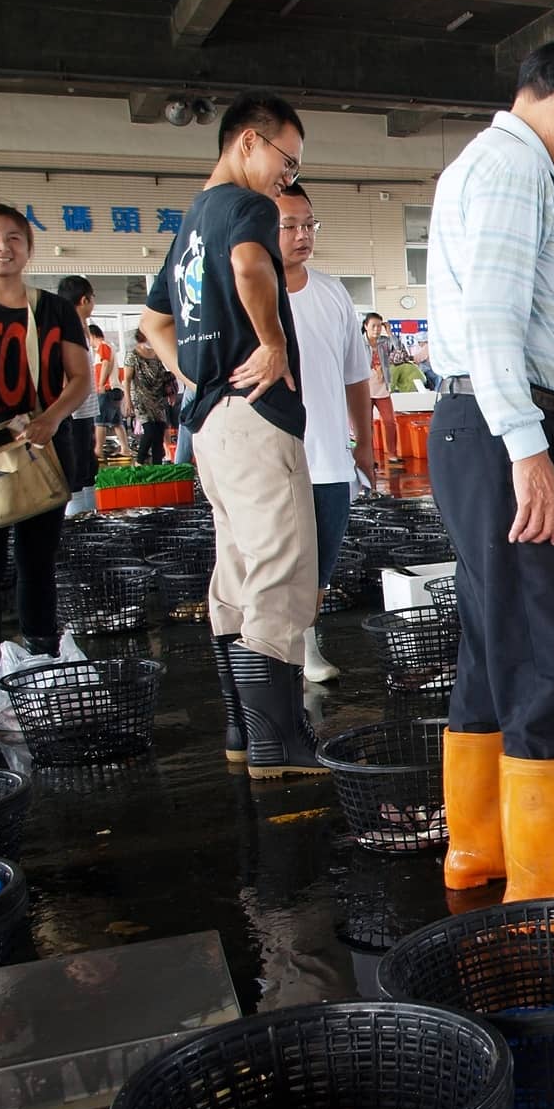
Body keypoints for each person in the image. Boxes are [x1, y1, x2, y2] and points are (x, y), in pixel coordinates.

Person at [425, 39, 554, 899]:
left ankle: (480, 850)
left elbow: (544, 285)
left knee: (492, 639)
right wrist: (529, 448)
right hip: (504, 420)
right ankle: (544, 882)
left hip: (482, 426)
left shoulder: (516, 173)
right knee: (549, 647)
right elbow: (494, 319)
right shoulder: (510, 168)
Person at [141, 90, 326, 780]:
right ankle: (281, 742)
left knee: (237, 570)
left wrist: (194, 374)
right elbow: (252, 267)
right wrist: (273, 341)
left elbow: (154, 323)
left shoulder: (193, 218)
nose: (288, 176)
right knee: (281, 567)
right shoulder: (247, 207)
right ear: (249, 141)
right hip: (255, 416)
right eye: (288, 158)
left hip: (212, 421)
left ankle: (243, 729)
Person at [275, 181, 375, 684]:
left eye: (307, 224)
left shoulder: (332, 292)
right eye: (288, 225)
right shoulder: (251, 295)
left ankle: (308, 644)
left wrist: (366, 447)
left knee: (319, 566)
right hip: (272, 460)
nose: (301, 235)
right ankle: (280, 652)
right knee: (278, 564)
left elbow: (357, 376)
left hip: (330, 459)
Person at [0, 203, 91, 654]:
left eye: (14, 238)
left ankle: (40, 654)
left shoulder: (53, 310)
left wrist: (51, 418)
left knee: (37, 561)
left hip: (44, 448)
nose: (2, 247)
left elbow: (80, 378)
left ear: (29, 249)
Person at [52, 277, 100, 499]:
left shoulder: (83, 328)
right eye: (93, 299)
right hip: (74, 410)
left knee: (89, 464)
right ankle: (77, 518)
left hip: (85, 408)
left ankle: (90, 514)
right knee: (77, 467)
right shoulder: (64, 328)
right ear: (84, 300)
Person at [122, 329, 173, 464]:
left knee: (159, 432)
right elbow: (126, 379)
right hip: (141, 398)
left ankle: (157, 466)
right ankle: (139, 461)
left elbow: (165, 375)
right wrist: (127, 401)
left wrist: (170, 392)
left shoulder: (158, 354)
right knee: (150, 430)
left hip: (158, 398)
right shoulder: (132, 355)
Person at [88, 322, 130, 460]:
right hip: (115, 390)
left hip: (108, 389)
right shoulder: (108, 347)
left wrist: (100, 384)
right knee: (116, 422)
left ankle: (98, 450)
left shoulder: (103, 346)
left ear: (92, 335)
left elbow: (105, 364)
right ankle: (125, 449)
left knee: (100, 421)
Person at [363, 312, 397, 462]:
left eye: (379, 326)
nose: (376, 329)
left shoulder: (384, 342)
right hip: (364, 389)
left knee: (389, 421)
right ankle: (368, 456)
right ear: (365, 326)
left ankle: (392, 454)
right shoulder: (359, 342)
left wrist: (390, 332)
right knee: (366, 424)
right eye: (373, 326)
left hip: (382, 388)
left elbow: (400, 351)